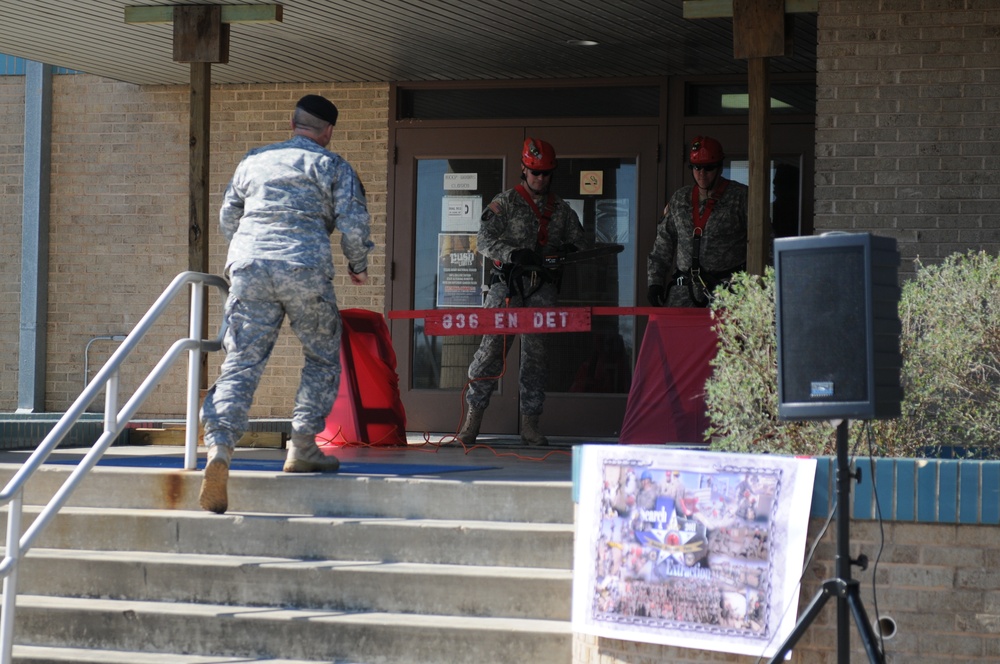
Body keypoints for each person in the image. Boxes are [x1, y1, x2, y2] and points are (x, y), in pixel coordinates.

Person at [198, 94, 375, 514]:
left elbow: (228, 216)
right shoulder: (332, 166)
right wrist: (358, 264)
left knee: (240, 362)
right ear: (327, 131)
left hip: (250, 266)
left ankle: (220, 449)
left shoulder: (253, 160)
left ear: (292, 123)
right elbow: (353, 222)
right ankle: (302, 446)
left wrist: (252, 253)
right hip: (304, 268)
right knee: (321, 357)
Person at [457, 137, 587, 447]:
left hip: (541, 288)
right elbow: (484, 240)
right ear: (524, 170)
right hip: (507, 285)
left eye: (545, 174)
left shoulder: (562, 210)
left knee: (535, 357)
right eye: (534, 172)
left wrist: (565, 250)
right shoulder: (505, 203)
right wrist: (513, 253)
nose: (540, 179)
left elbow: (581, 243)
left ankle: (530, 424)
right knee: (490, 352)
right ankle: (472, 421)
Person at [647, 136, 749, 308]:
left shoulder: (741, 197)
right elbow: (663, 244)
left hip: (727, 294)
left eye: (708, 168)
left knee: (724, 336)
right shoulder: (680, 199)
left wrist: (761, 290)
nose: (701, 174)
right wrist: (655, 282)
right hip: (683, 294)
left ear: (720, 167)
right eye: (696, 168)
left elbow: (764, 244)